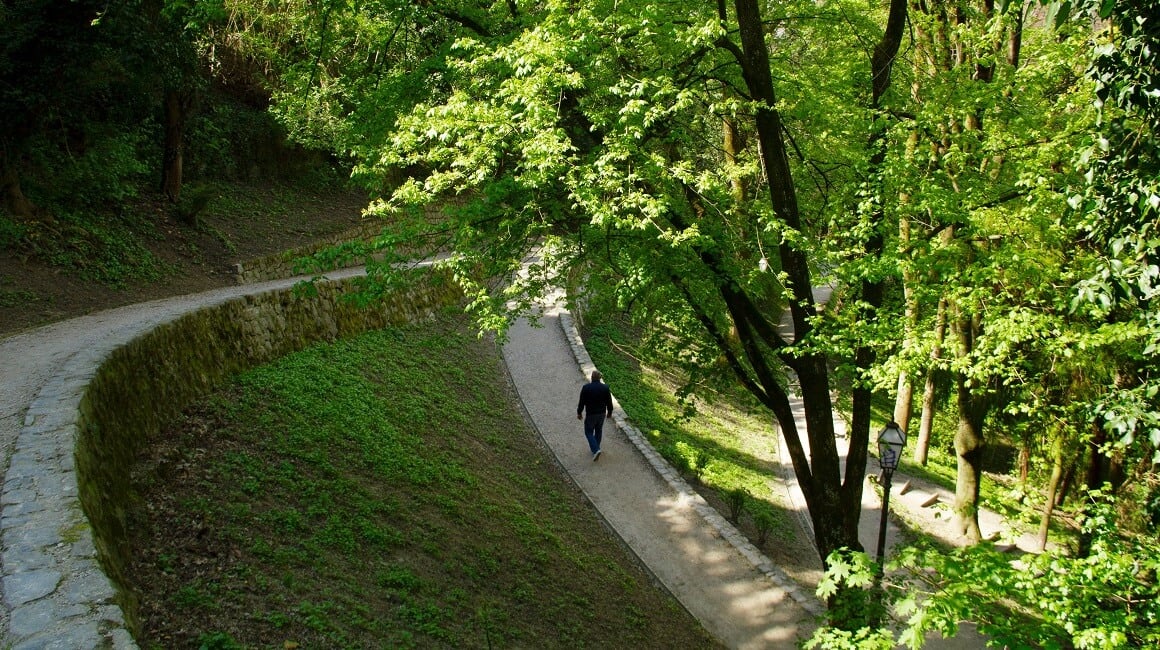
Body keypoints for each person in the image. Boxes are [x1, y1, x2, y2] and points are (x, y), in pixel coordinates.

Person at [576, 369, 614, 461]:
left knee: (588, 432)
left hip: (591, 414)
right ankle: (596, 449)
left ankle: (596, 449)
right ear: (600, 378)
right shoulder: (605, 388)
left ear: (592, 377)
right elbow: (609, 402)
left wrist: (579, 412)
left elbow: (582, 402)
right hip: (601, 414)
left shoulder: (586, 388)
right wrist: (609, 412)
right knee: (598, 430)